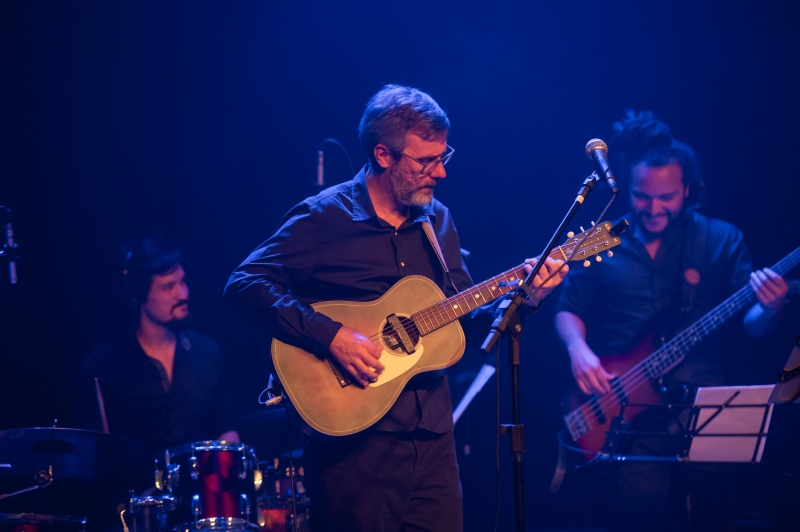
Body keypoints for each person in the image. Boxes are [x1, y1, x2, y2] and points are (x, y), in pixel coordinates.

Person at [224, 84, 568, 532]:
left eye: (444, 157)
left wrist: (529, 295)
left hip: (432, 441)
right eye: (426, 161)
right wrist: (331, 336)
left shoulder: (437, 220)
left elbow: (463, 316)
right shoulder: (325, 218)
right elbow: (244, 284)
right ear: (383, 155)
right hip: (354, 447)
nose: (440, 172)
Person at [554, 110, 788, 531]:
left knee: (712, 516)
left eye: (667, 197)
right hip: (628, 411)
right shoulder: (605, 238)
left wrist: (769, 308)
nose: (654, 208)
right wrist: (578, 351)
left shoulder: (721, 238)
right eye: (643, 196)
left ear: (687, 189)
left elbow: (751, 327)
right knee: (635, 517)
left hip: (707, 406)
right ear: (629, 189)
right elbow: (569, 308)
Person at [76, 235, 240, 456]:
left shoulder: (208, 352)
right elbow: (92, 456)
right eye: (168, 287)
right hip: (135, 488)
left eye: (183, 282)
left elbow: (224, 428)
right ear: (138, 296)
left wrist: (231, 467)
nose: (182, 294)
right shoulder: (102, 367)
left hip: (198, 486)